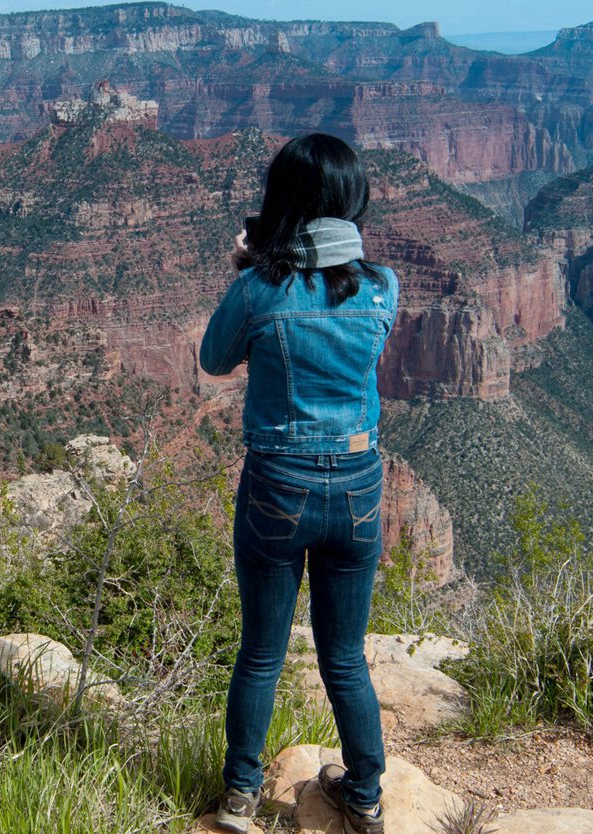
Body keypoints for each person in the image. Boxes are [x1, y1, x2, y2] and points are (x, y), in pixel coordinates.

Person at [198, 132, 399, 834]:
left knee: (262, 651)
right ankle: (366, 793)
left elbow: (214, 360)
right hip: (357, 488)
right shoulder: (382, 288)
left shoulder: (257, 290)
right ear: (352, 202)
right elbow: (360, 350)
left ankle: (240, 796)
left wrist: (246, 267)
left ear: (279, 203)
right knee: (344, 654)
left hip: (277, 484)